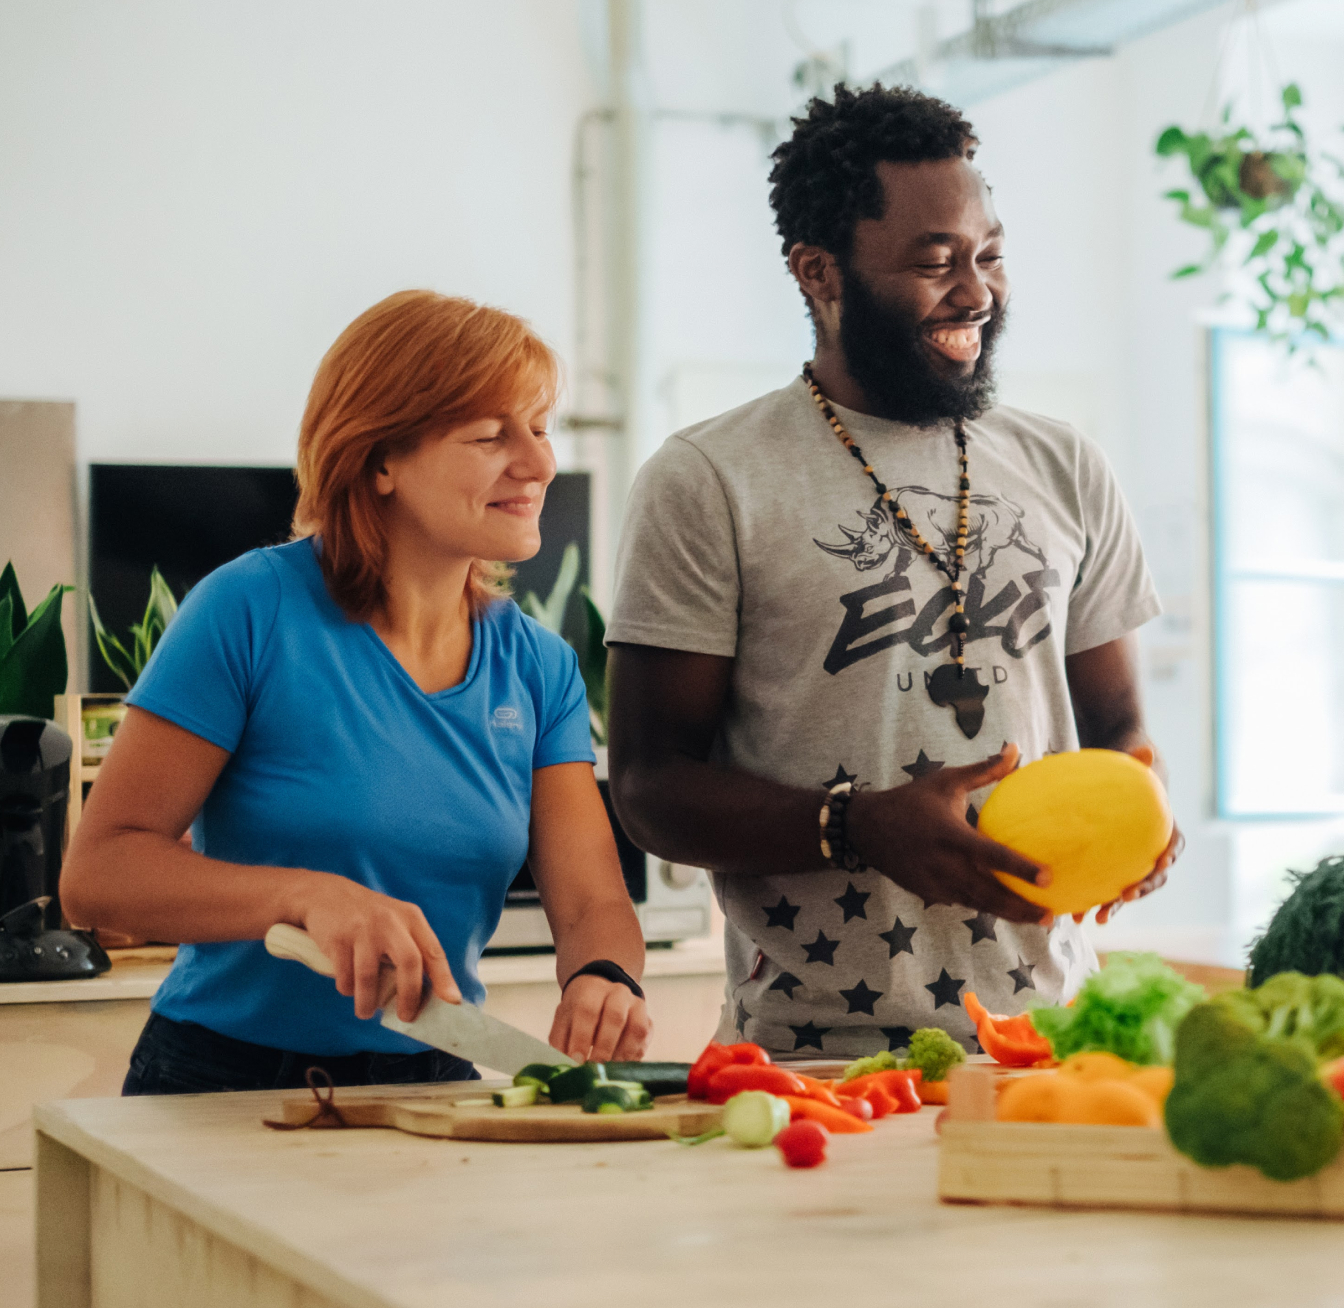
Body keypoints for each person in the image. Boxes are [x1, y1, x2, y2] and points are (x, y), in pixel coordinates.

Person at [605, 85, 1180, 1058]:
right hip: (812, 1057)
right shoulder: (708, 479)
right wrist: (855, 826)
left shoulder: (1065, 464)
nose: (977, 293)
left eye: (989, 255)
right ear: (818, 272)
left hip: (1049, 1042)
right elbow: (650, 787)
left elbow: (1119, 729)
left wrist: (1143, 821)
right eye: (934, 262)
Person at [61, 291, 650, 1093]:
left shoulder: (539, 667)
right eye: (490, 435)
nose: (538, 464)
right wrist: (306, 897)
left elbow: (589, 905)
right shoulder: (249, 609)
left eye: (540, 429)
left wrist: (604, 975)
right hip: (220, 1077)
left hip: (431, 1074)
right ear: (379, 461)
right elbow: (99, 876)